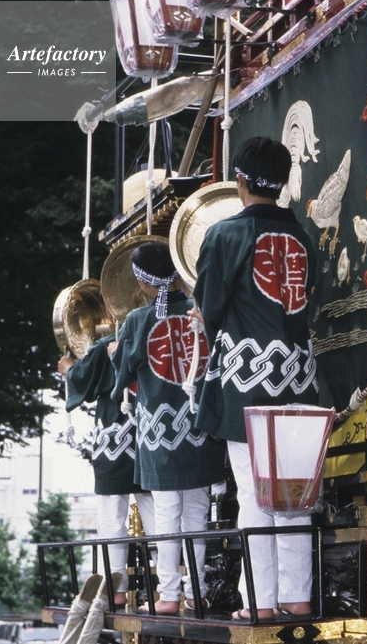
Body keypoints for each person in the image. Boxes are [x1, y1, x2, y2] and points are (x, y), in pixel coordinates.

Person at [191, 136, 319, 620]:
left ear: (240, 180)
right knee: (293, 491)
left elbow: (211, 309)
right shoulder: (304, 237)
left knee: (253, 492)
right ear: (282, 183)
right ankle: (296, 595)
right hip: (298, 376)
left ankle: (260, 602)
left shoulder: (224, 235)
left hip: (247, 380)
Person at [111, 241, 226, 615]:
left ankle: (169, 595)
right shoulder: (202, 311)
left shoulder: (138, 320)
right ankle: (197, 592)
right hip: (199, 428)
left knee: (166, 515)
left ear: (144, 282)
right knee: (196, 514)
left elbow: (122, 376)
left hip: (159, 433)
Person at [59, 336, 155, 609]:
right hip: (152, 431)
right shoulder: (154, 330)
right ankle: (170, 589)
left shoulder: (106, 344)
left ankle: (116, 589)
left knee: (111, 517)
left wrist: (68, 368)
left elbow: (82, 379)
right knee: (159, 515)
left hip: (114, 437)